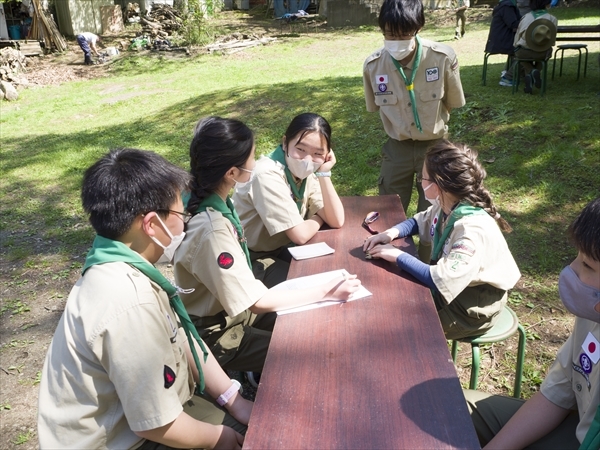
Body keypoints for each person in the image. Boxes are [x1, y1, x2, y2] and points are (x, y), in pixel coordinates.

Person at [37, 148, 253, 449]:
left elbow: (186, 339)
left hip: (147, 416)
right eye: (182, 214)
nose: (185, 223)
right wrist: (222, 437)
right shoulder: (129, 301)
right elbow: (158, 424)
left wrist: (235, 401)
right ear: (152, 224)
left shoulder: (123, 264)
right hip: (126, 439)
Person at [174, 116, 361, 374]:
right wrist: (326, 291)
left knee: (312, 317)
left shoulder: (216, 204)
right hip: (218, 332)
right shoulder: (212, 230)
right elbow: (257, 302)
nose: (256, 162)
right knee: (315, 348)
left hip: (235, 311)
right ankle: (258, 377)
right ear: (232, 173)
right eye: (251, 157)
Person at [464, 197, 600, 449]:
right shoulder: (591, 315)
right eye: (577, 256)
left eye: (587, 265)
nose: (571, 270)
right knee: (455, 408)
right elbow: (556, 395)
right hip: (579, 431)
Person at [362, 140, 521, 340]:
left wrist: (397, 255)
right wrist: (390, 233)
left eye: (422, 177)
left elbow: (439, 280)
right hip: (457, 292)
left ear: (437, 187)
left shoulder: (470, 230)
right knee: (392, 303)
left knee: (398, 325)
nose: (420, 181)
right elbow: (419, 221)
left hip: (472, 310)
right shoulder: (448, 203)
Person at [362, 0, 465, 261]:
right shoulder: (374, 65)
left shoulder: (442, 57)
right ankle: (388, 259)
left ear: (418, 27)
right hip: (397, 148)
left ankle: (428, 265)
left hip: (435, 149)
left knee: (434, 211)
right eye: (389, 34)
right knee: (388, 206)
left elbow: (453, 101)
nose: (396, 40)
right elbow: (374, 106)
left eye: (404, 34)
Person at [232, 113, 344, 288]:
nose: (308, 160)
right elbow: (300, 235)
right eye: (300, 149)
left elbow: (337, 219)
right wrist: (319, 217)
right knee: (313, 287)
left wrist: (323, 173)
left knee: (335, 271)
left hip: (282, 250)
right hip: (252, 260)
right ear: (285, 143)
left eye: (318, 153)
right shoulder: (267, 174)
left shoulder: (304, 174)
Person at [501, 0, 557, 94]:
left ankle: (531, 73)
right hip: (541, 52)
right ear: (547, 4)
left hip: (524, 51)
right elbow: (552, 40)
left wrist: (516, 46)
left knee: (520, 58)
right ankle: (536, 71)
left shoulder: (526, 17)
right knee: (548, 52)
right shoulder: (552, 19)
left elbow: (518, 36)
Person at [484, 0, 521, 87]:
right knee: (524, 52)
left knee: (524, 50)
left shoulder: (506, 5)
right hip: (502, 42)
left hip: (500, 40)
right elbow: (513, 24)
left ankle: (515, 73)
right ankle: (508, 78)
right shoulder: (507, 7)